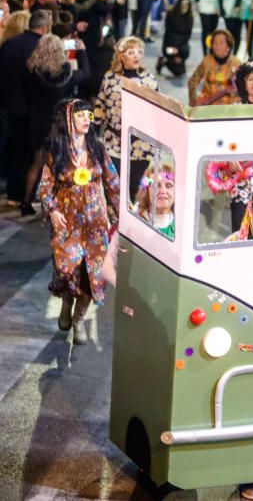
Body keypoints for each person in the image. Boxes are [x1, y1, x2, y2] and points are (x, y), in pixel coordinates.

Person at [38, 99, 119, 345]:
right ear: (69, 118)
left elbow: (112, 182)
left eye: (89, 116)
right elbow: (45, 185)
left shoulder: (97, 148)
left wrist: (122, 213)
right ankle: (65, 303)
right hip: (67, 220)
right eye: (82, 115)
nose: (87, 120)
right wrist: (52, 210)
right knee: (66, 268)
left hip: (95, 221)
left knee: (91, 273)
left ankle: (79, 320)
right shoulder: (57, 149)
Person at [21, 34, 89, 215]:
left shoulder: (32, 70)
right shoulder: (66, 72)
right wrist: (81, 52)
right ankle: (57, 206)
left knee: (37, 163)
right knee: (60, 165)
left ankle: (26, 203)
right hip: (59, 125)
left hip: (37, 123)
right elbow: (85, 74)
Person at [94, 36, 158, 201]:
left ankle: (132, 224)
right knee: (114, 187)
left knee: (134, 188)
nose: (136, 55)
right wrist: (92, 134)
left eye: (139, 52)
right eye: (131, 52)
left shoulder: (149, 80)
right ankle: (115, 224)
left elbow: (157, 112)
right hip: (114, 141)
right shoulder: (110, 78)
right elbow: (100, 106)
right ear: (121, 56)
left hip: (141, 145)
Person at [0, 9, 52, 205]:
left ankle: (13, 194)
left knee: (14, 150)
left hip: (7, 106)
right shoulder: (41, 48)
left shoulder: (10, 43)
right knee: (30, 153)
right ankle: (25, 195)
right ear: (45, 27)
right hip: (32, 109)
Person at [188, 29, 240, 106]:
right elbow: (192, 81)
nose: (217, 45)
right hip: (207, 102)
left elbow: (241, 87)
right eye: (215, 42)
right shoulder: (207, 61)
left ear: (228, 46)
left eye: (221, 42)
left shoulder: (236, 63)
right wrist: (193, 100)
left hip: (229, 104)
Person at [135, 163, 175, 239]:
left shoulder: (183, 226)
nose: (163, 191)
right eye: (156, 185)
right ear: (146, 192)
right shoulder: (134, 221)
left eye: (168, 185)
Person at [157, 0, 193, 76]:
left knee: (185, 53)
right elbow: (168, 33)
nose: (184, 6)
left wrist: (178, 48)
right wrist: (174, 47)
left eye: (187, 4)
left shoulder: (190, 17)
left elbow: (187, 35)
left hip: (181, 46)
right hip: (169, 44)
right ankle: (164, 61)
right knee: (177, 70)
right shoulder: (170, 14)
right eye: (182, 4)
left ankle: (175, 61)